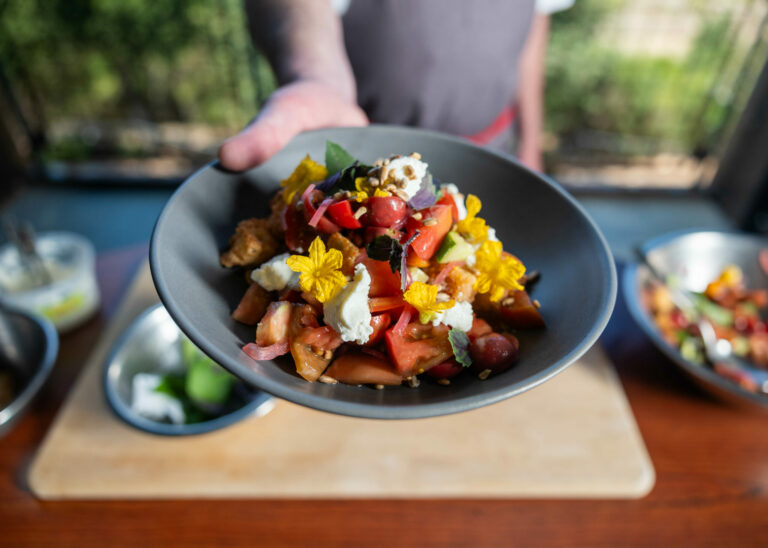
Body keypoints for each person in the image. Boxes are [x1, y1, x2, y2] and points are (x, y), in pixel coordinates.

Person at [218, 0, 572, 173]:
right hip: (360, 155)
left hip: (493, 156)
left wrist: (530, 145)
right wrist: (316, 75)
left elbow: (536, 19)